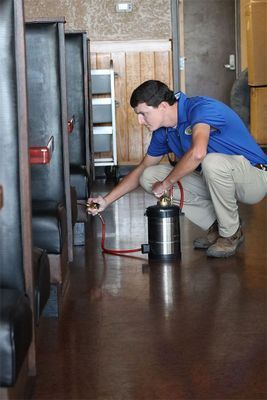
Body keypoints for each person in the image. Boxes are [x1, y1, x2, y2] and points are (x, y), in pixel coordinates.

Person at [87, 80, 267, 258]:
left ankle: (230, 233)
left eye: (143, 114)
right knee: (148, 176)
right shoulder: (163, 132)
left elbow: (198, 153)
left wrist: (166, 183)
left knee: (211, 162)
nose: (140, 121)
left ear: (163, 106)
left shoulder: (200, 108)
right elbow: (142, 168)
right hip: (216, 179)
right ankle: (219, 225)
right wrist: (106, 200)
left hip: (254, 177)